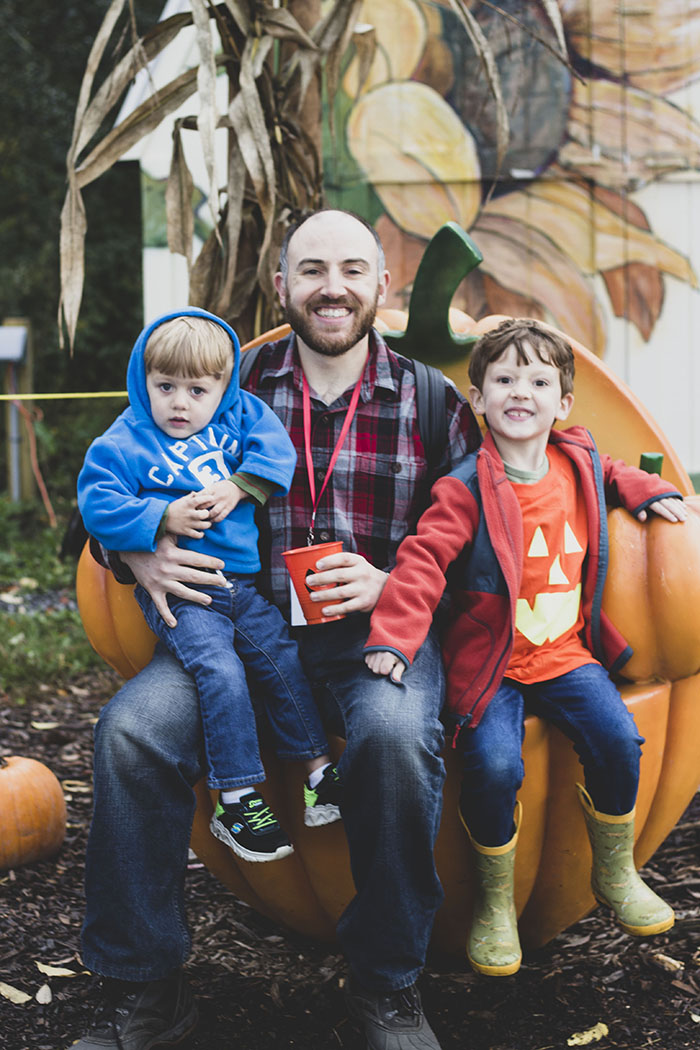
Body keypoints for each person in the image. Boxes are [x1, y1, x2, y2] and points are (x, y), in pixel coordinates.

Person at [71, 208, 482, 1050]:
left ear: (382, 286)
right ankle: (149, 989)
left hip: (375, 636)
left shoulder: (434, 401)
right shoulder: (226, 377)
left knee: (399, 739)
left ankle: (386, 985)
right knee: (130, 734)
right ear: (281, 285)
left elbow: (482, 553)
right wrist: (139, 555)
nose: (333, 288)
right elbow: (119, 484)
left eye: (353, 271)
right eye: (313, 270)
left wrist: (391, 579)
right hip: (234, 625)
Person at [364, 318, 685, 978]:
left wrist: (651, 491)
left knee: (619, 741)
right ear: (478, 398)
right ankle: (494, 902)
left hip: (566, 653)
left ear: (562, 403)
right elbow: (422, 561)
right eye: (503, 379)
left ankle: (615, 871)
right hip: (492, 666)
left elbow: (616, 474)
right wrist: (395, 638)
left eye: (538, 380)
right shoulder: (463, 489)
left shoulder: (580, 461)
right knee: (494, 766)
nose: (520, 391)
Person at [77, 310, 342, 865]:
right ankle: (237, 798)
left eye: (197, 390)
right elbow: (98, 503)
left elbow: (277, 451)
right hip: (180, 594)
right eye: (165, 386)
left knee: (280, 659)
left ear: (223, 387)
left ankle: (319, 773)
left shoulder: (240, 416)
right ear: (141, 380)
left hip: (239, 585)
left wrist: (240, 486)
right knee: (219, 673)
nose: (179, 403)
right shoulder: (124, 441)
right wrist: (159, 518)